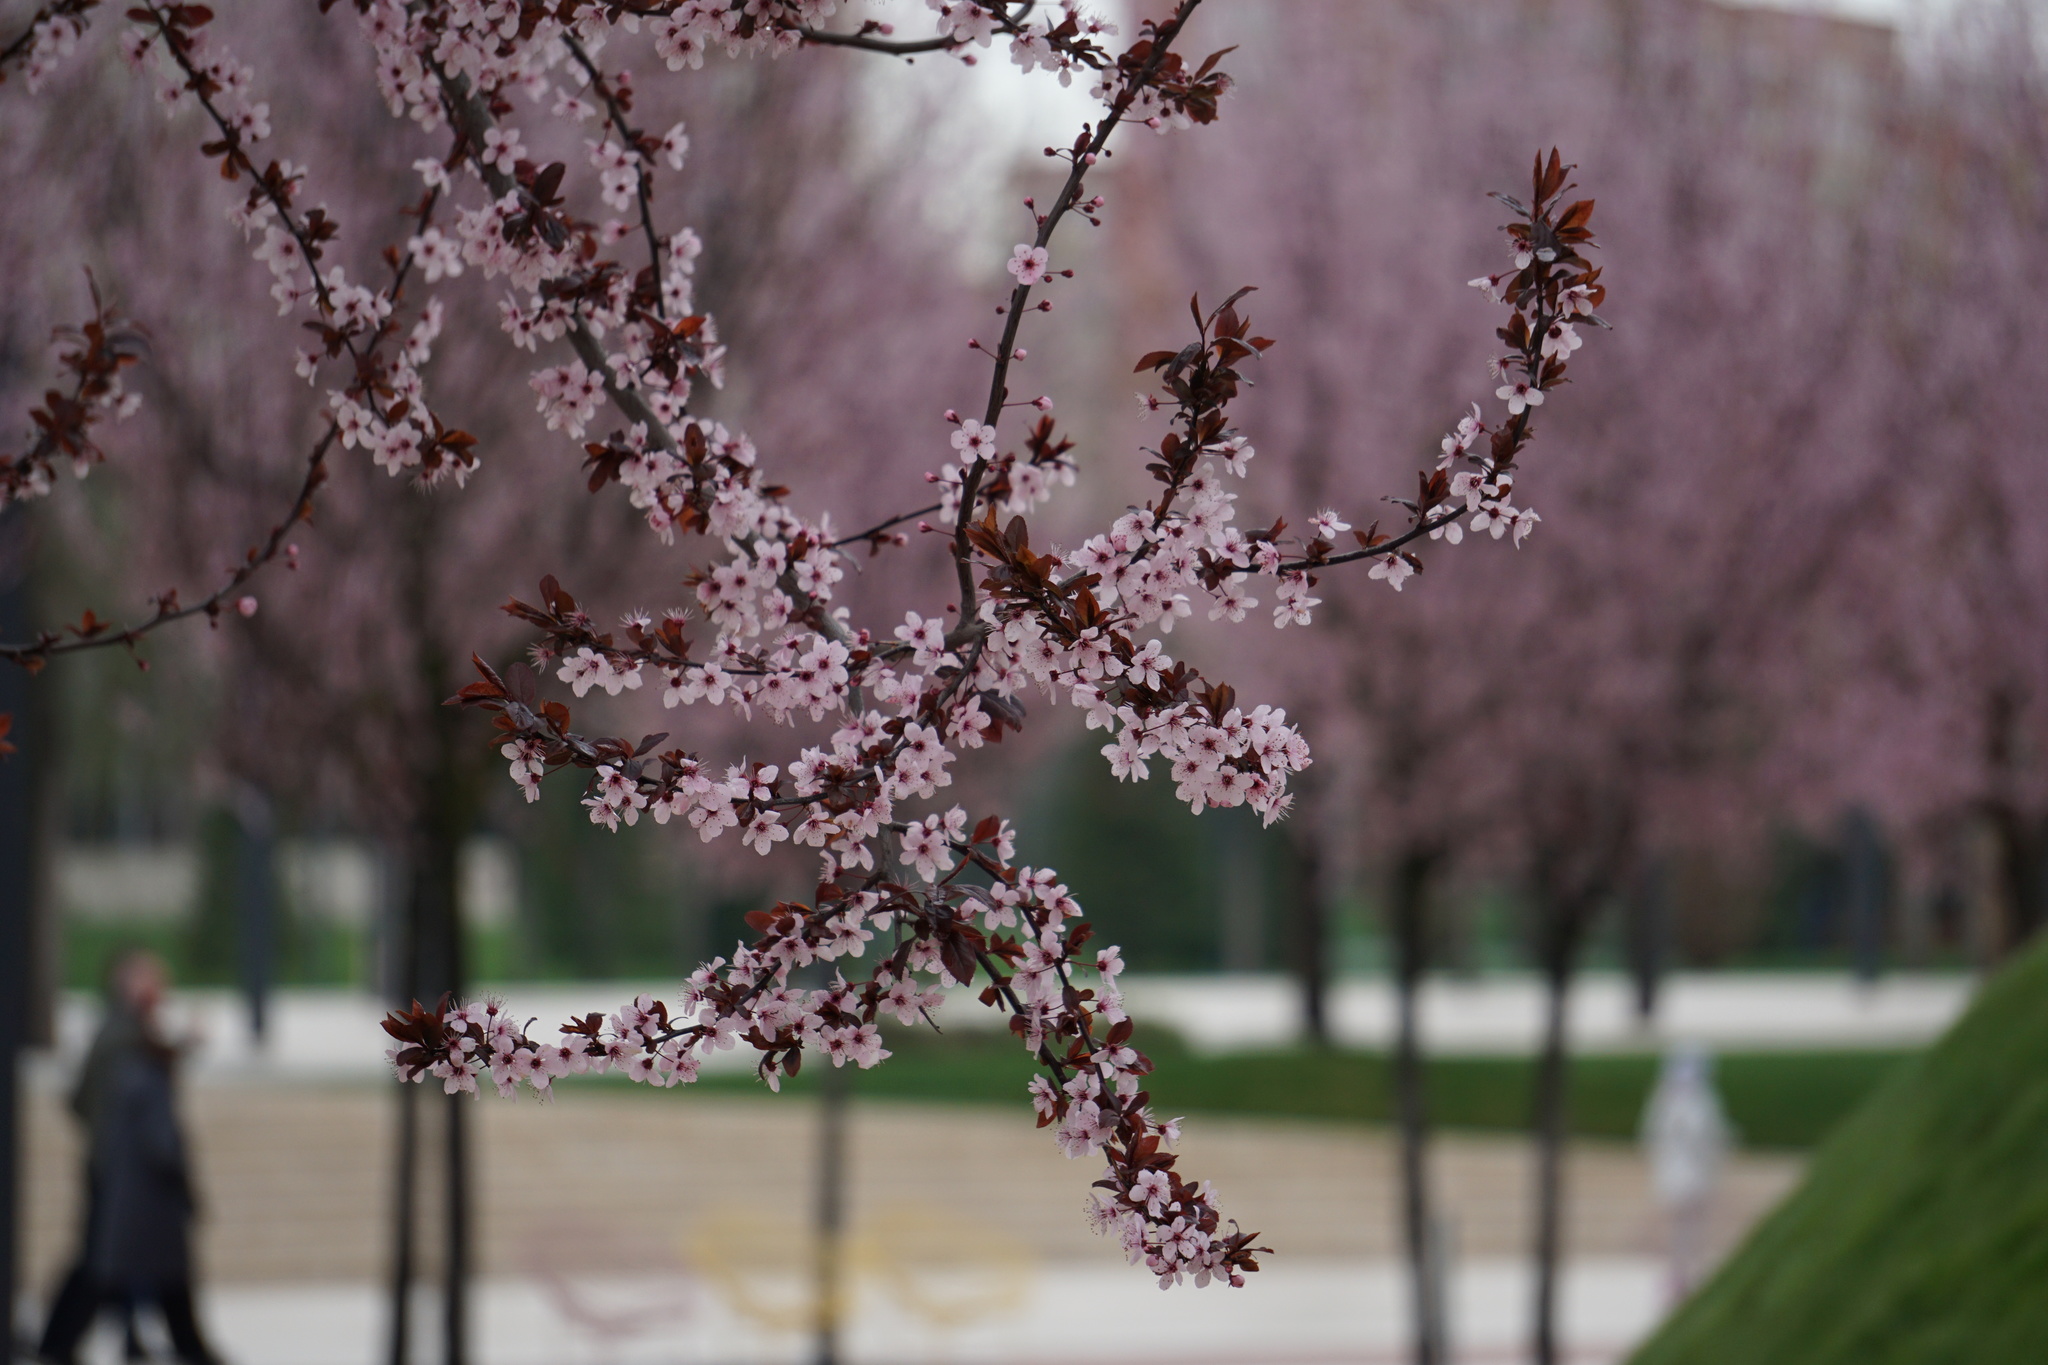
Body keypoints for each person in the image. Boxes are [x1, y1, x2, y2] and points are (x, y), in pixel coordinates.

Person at [36, 950, 221, 1365]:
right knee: (104, 1260)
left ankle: (70, 1340)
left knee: (108, 1259)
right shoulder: (121, 1035)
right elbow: (95, 1097)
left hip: (118, 1168)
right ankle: (60, 1340)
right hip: (120, 1171)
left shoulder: (126, 1032)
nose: (158, 987)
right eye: (148, 979)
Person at [1639, 1040, 1733, 1301]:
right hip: (1686, 1174)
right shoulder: (1691, 1102)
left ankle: (1682, 1274)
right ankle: (1681, 1275)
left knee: (1687, 1229)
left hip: (1682, 1174)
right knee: (1686, 1229)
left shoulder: (1671, 1100)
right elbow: (1706, 1138)